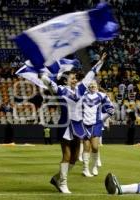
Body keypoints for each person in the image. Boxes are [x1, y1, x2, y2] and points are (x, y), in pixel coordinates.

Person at [41, 53, 107, 193]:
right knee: (66, 155)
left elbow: (91, 74)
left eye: (75, 77)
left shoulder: (81, 88)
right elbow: (49, 83)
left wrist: (100, 62)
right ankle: (63, 183)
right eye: (72, 77)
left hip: (78, 125)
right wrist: (42, 74)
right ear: (65, 80)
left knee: (75, 157)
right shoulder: (61, 90)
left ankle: (57, 178)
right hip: (65, 125)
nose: (75, 79)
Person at [81, 80, 114, 177]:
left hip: (96, 124)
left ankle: (94, 166)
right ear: (88, 86)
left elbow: (111, 109)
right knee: (86, 147)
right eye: (90, 84)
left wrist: (101, 118)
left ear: (97, 86)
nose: (92, 86)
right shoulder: (82, 96)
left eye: (94, 84)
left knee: (95, 147)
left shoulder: (102, 96)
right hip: (84, 124)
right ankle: (85, 169)